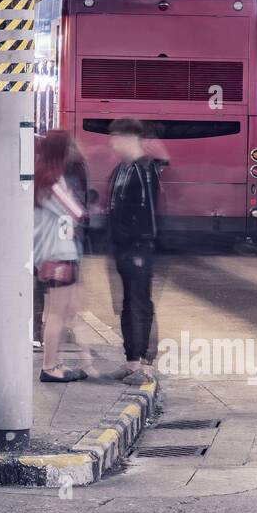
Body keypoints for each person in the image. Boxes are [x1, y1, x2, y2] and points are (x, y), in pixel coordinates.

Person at [106, 118, 167, 382]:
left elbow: (149, 214)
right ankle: (132, 361)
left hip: (138, 248)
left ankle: (145, 365)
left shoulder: (144, 170)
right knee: (128, 304)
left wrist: (142, 244)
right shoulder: (122, 169)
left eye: (115, 137)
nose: (111, 143)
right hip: (123, 247)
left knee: (140, 303)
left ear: (130, 138)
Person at [34, 130, 95, 383]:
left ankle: (55, 362)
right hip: (57, 253)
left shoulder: (45, 177)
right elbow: (76, 212)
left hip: (56, 252)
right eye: (70, 146)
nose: (75, 150)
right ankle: (49, 367)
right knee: (57, 313)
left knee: (59, 311)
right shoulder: (52, 180)